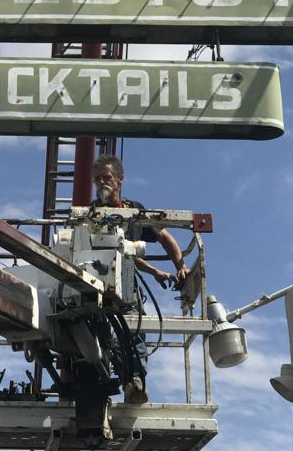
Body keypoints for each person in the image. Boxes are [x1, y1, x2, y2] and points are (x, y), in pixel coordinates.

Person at [90, 154, 190, 404]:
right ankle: (103, 378)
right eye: (97, 179)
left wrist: (181, 266)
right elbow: (115, 251)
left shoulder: (134, 210)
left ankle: (134, 381)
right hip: (96, 279)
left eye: (107, 177)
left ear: (120, 179)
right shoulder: (92, 214)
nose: (102, 183)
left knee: (134, 326)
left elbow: (164, 237)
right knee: (96, 330)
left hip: (126, 281)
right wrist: (155, 272)